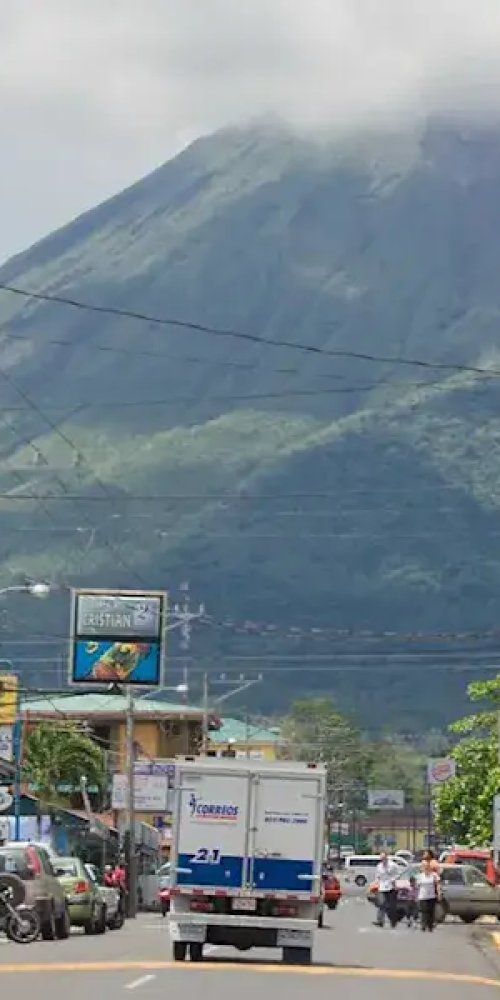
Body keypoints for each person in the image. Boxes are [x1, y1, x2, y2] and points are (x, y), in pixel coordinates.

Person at [374, 852, 400, 928]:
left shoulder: (393, 865)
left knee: (391, 906)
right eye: (381, 858)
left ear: (387, 857)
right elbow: (377, 876)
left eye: (384, 858)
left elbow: (398, 874)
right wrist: (376, 883)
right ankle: (380, 921)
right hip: (382, 887)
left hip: (391, 887)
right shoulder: (379, 866)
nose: (383, 860)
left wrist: (393, 879)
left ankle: (393, 921)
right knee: (381, 904)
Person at [417, 859, 441, 931]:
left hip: (431, 896)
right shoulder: (420, 876)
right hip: (423, 896)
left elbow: (437, 884)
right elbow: (417, 886)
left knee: (430, 911)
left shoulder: (434, 875)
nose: (425, 868)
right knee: (424, 911)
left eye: (427, 866)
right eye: (424, 866)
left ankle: (430, 925)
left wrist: (439, 893)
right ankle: (423, 925)